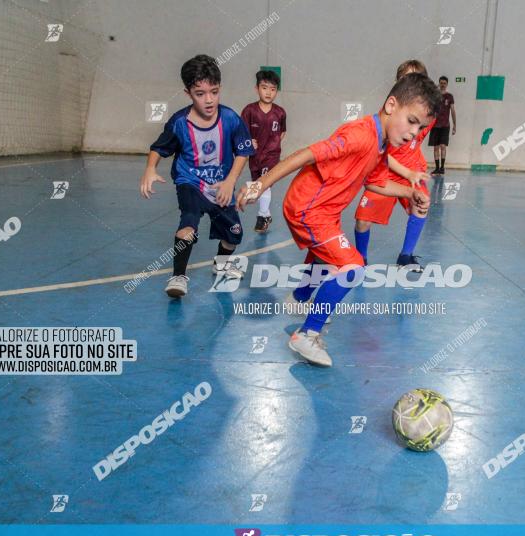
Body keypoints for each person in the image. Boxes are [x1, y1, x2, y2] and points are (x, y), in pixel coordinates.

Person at [237, 73, 442, 366]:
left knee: (324, 253)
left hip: (326, 210)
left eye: (420, 127)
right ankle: (306, 335)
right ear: (391, 105)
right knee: (353, 267)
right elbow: (307, 154)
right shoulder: (360, 135)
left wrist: (410, 192)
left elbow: (376, 182)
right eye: (411, 120)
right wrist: (261, 184)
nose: (414, 132)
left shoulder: (383, 143)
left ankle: (299, 297)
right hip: (308, 207)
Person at [140, 54, 254, 298]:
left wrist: (231, 181)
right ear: (188, 93)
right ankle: (178, 276)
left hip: (221, 185)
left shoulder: (231, 119)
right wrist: (151, 168)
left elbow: (243, 151)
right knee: (188, 224)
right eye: (200, 94)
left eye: (214, 92)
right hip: (189, 181)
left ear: (220, 88)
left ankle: (221, 263)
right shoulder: (180, 122)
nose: (209, 100)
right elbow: (158, 147)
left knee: (234, 235)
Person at [354, 59, 434, 271]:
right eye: (406, 80)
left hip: (412, 171)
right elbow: (380, 152)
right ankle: (360, 259)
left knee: (422, 204)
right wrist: (406, 171)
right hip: (386, 171)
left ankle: (405, 256)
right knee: (363, 219)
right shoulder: (390, 113)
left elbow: (416, 141)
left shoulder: (427, 115)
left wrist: (416, 166)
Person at [240, 69, 286, 234]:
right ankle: (265, 214)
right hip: (254, 156)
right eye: (265, 87)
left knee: (264, 183)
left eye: (273, 89)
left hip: (271, 156)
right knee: (258, 183)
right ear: (257, 88)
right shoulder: (249, 111)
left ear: (276, 91)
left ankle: (262, 215)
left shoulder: (280, 112)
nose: (268, 92)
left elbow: (282, 132)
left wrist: (273, 145)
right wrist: (248, 142)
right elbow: (241, 132)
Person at [428, 75, 455, 175]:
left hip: (445, 125)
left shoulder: (449, 96)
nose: (443, 85)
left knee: (443, 146)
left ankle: (442, 168)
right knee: (436, 147)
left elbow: (452, 111)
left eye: (444, 83)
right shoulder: (435, 96)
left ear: (447, 84)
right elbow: (430, 109)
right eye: (441, 83)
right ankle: (437, 168)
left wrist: (455, 125)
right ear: (439, 83)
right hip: (435, 125)